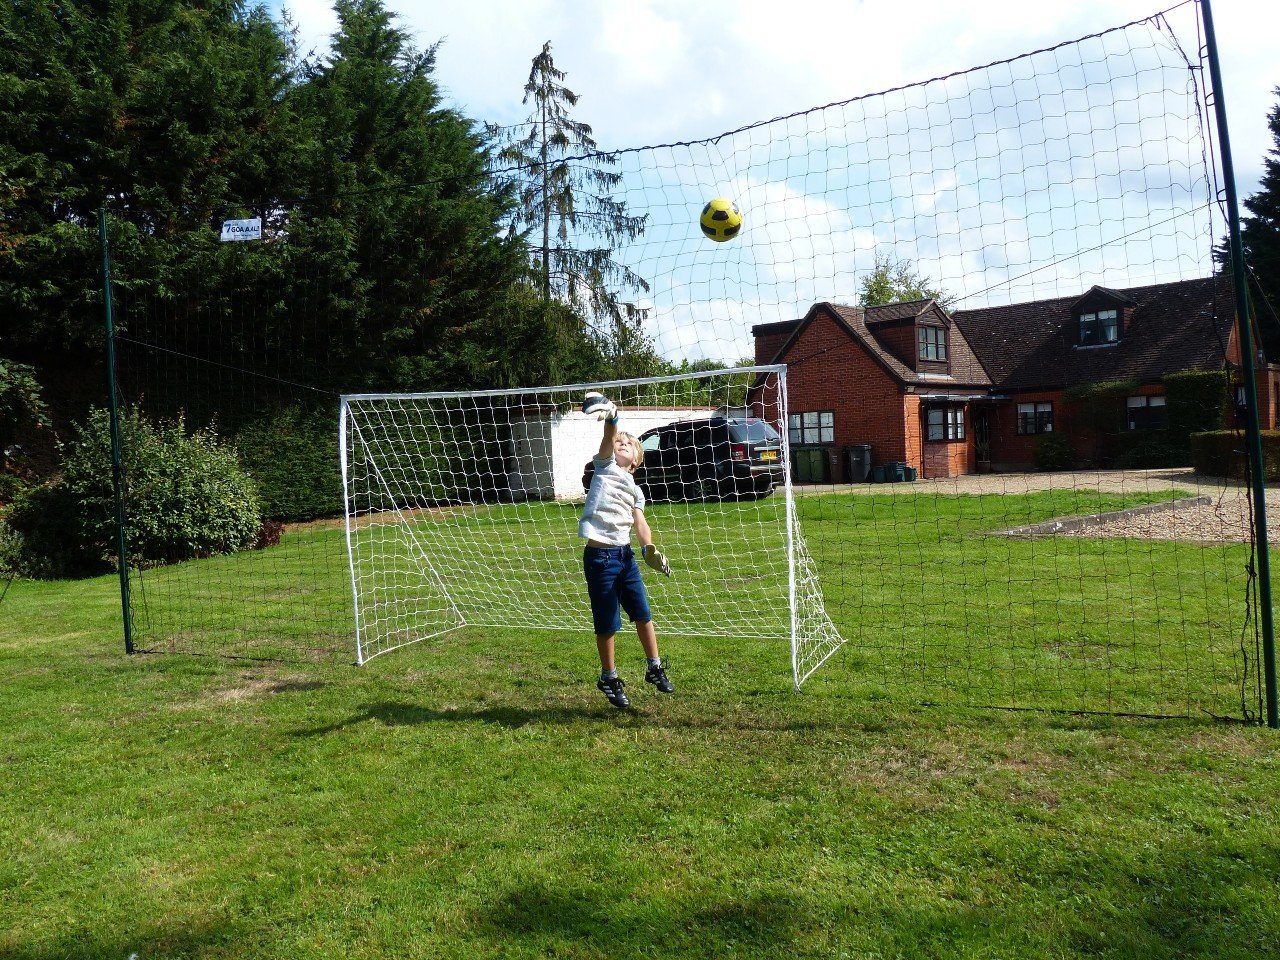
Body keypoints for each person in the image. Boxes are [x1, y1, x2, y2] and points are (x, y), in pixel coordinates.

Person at [579, 391, 673, 709]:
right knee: (607, 622)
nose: (621, 443)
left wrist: (649, 549)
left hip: (625, 557)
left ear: (635, 460)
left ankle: (654, 666)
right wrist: (613, 417)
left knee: (643, 614)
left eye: (628, 443)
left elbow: (640, 523)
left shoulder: (636, 489)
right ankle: (609, 676)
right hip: (600, 559)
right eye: (619, 441)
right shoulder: (604, 467)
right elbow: (609, 435)